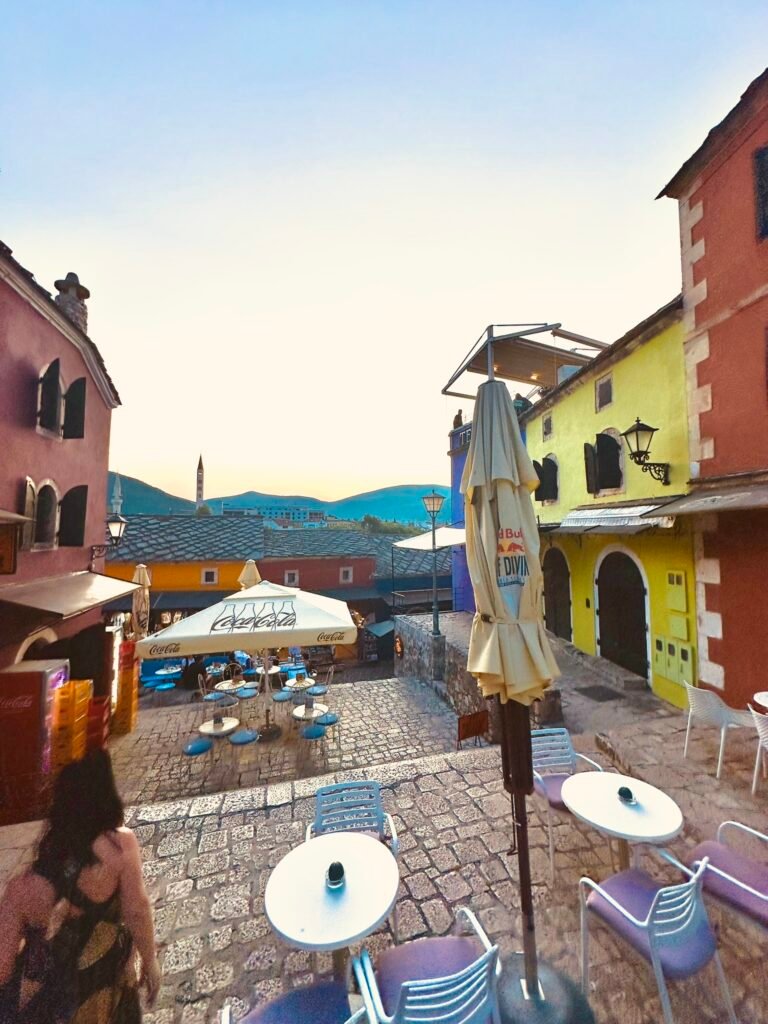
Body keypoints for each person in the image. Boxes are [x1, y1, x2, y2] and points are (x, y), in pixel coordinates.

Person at [0, 750, 160, 1023]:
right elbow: (137, 910)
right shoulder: (121, 846)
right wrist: (150, 961)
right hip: (109, 998)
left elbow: (3, 967)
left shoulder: (21, 890)